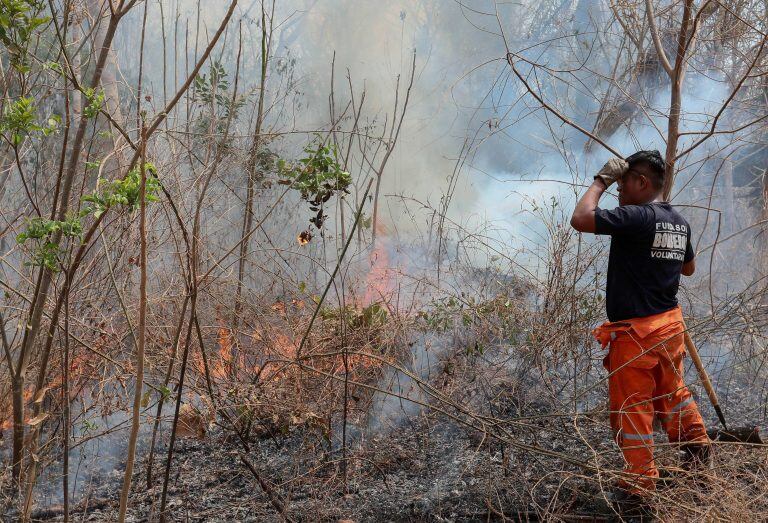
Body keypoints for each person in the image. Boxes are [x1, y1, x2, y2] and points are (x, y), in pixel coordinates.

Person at [569, 150, 710, 503]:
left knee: (632, 408)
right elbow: (688, 268)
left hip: (637, 336)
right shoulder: (678, 221)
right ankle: (697, 448)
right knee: (672, 394)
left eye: (623, 182)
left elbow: (581, 218)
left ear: (642, 182)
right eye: (614, 184)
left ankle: (639, 486)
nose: (618, 190)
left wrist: (600, 180)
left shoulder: (637, 217)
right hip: (669, 329)